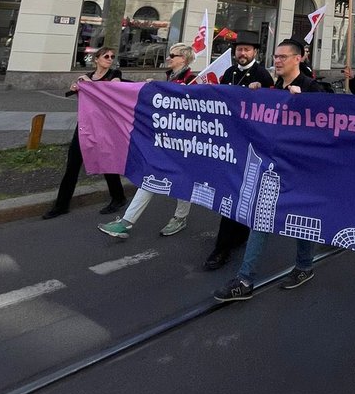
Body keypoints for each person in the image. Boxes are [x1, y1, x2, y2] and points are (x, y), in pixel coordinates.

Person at [215, 39, 324, 300]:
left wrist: (305, 104)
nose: (277, 61)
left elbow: (325, 125)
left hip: (300, 167)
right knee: (260, 218)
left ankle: (305, 265)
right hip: (274, 165)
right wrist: (255, 94)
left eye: (283, 57)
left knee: (300, 220)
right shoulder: (273, 88)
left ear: (298, 59)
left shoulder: (312, 88)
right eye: (275, 57)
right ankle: (245, 279)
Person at [97, 45, 198, 240]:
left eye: (172, 56)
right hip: (165, 138)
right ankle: (128, 222)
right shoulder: (172, 77)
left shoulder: (191, 80)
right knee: (156, 177)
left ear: (183, 59)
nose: (168, 58)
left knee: (182, 179)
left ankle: (177, 217)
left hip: (182, 141)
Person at [203, 31, 274, 271]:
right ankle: (228, 241)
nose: (242, 54)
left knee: (239, 192)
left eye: (247, 50)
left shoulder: (262, 75)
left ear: (255, 52)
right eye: (239, 50)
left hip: (252, 145)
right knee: (231, 191)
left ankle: (223, 246)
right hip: (231, 142)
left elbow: (272, 107)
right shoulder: (230, 73)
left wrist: (261, 91)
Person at [42, 47, 126, 218]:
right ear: (96, 59)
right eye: (106, 56)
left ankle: (118, 198)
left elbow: (112, 90)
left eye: (112, 57)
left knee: (106, 161)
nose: (109, 59)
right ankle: (61, 205)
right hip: (85, 126)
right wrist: (78, 86)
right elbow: (81, 94)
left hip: (105, 127)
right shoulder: (86, 77)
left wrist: (88, 84)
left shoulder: (114, 74)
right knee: (73, 164)